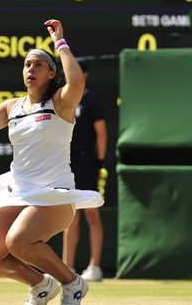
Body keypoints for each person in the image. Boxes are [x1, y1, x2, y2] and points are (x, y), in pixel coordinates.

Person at [0, 19, 104, 305]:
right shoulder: (12, 107)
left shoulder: (61, 103)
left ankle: (73, 284)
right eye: (27, 65)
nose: (30, 69)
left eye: (38, 64)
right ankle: (40, 285)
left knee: (17, 242)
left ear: (52, 73)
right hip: (18, 193)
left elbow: (77, 81)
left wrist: (60, 42)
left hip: (54, 197)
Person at [62, 61, 107, 282]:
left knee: (91, 213)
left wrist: (99, 163)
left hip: (87, 161)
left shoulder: (92, 101)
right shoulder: (62, 98)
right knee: (69, 214)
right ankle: (66, 267)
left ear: (85, 75)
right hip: (66, 162)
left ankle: (95, 266)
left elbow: (102, 134)